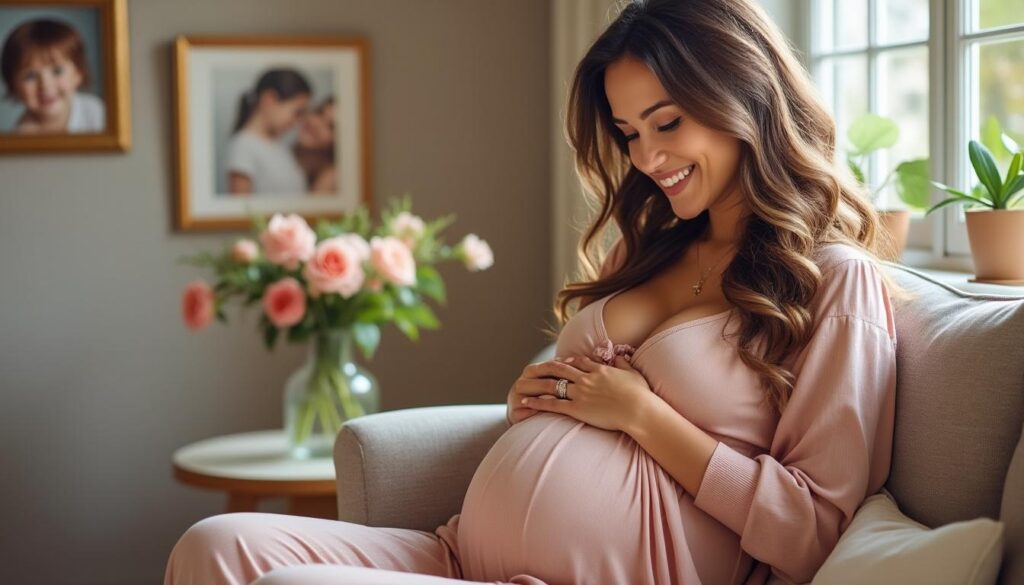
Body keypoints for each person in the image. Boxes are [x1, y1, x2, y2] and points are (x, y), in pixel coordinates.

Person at [165, 1, 913, 584]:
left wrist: (642, 415)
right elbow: (584, 408)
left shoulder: (831, 281)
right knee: (215, 546)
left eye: (667, 123)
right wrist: (534, 398)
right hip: (460, 552)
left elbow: (813, 532)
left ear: (745, 96)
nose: (648, 158)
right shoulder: (645, 247)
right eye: (629, 132)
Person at [0, 18, 105, 134]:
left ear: (78, 73)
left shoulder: (99, 113)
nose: (46, 85)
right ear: (13, 86)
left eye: (57, 71)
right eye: (30, 76)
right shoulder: (20, 135)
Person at [225, 68, 311, 196]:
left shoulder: (280, 146)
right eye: (297, 112)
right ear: (269, 99)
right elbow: (241, 204)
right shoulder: (243, 146)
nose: (298, 121)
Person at [293, 95, 338, 195]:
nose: (316, 123)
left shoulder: (330, 177)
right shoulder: (288, 153)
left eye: (331, 126)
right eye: (319, 112)